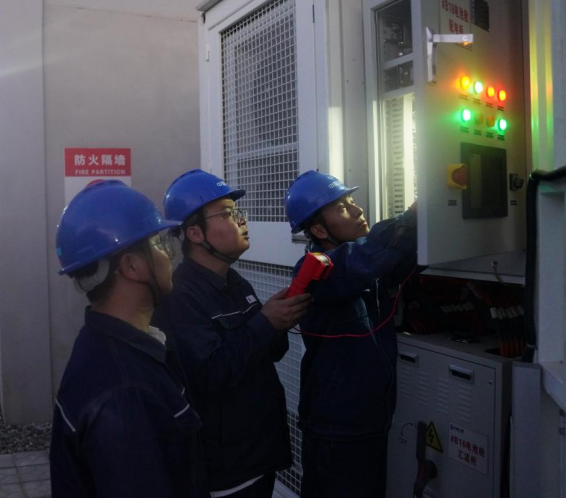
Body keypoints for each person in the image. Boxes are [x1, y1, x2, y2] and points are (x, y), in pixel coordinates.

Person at [153, 169, 311, 498]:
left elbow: (272, 352)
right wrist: (265, 323)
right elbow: (209, 376)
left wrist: (279, 320)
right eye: (227, 213)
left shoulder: (236, 282)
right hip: (227, 468)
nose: (242, 219)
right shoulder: (181, 297)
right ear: (195, 233)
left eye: (238, 211)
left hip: (260, 452)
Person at [50, 180, 207, 498]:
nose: (169, 255)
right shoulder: (124, 395)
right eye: (160, 243)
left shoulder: (107, 348)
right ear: (132, 266)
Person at [284, 171, 418, 498]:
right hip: (336, 426)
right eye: (342, 208)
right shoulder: (315, 270)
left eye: (352, 201)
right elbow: (362, 259)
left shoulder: (361, 264)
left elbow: (393, 258)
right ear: (319, 230)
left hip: (370, 419)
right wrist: (412, 217)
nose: (357, 210)